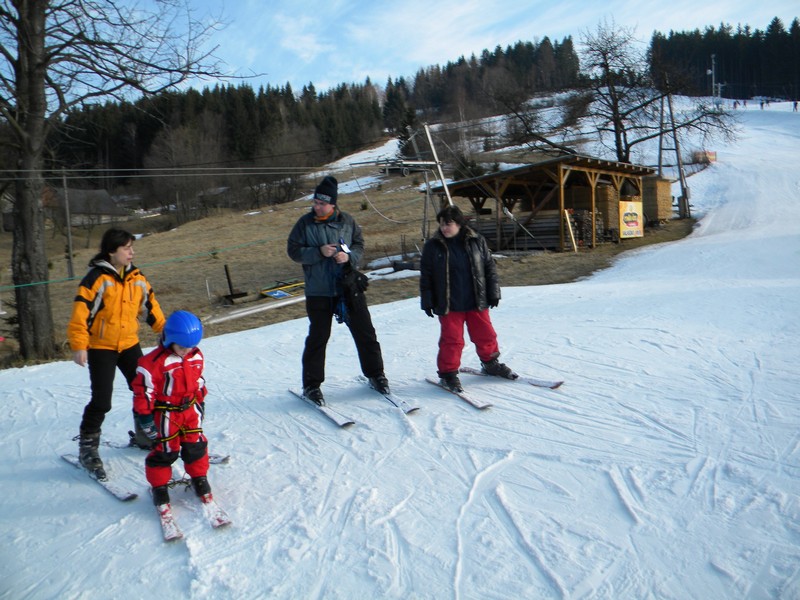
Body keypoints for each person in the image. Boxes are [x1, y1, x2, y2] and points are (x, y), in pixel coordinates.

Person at [67, 227, 166, 480]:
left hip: (129, 344)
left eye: (132, 247)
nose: (131, 252)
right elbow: (81, 313)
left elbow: (151, 307)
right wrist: (79, 344)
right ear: (112, 251)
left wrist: (167, 335)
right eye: (126, 248)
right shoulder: (97, 279)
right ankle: (87, 448)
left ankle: (145, 435)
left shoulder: (138, 278)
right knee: (102, 401)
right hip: (101, 347)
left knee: (144, 390)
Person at [287, 175, 389, 405]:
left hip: (347, 287)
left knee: (365, 332)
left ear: (333, 204)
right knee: (318, 337)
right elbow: (293, 251)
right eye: (315, 202)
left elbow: (359, 245)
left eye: (322, 203)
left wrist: (349, 256)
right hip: (319, 290)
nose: (317, 206)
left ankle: (376, 374)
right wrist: (317, 253)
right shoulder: (304, 224)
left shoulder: (347, 221)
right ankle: (311, 385)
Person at [419, 204, 515, 392]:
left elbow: (489, 268)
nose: (444, 228)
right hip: (449, 303)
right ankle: (448, 374)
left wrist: (494, 292)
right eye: (441, 224)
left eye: (449, 224)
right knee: (452, 340)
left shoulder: (476, 241)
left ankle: (490, 363)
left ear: (459, 223)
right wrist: (427, 301)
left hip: (475, 300)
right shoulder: (432, 246)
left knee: (485, 334)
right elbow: (426, 275)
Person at [132, 310, 217, 512]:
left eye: (191, 347)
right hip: (166, 414)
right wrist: (145, 417)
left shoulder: (196, 355)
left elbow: (198, 379)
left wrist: (200, 399)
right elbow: (144, 392)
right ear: (169, 340)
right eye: (181, 347)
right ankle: (159, 486)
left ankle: (199, 477)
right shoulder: (152, 363)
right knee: (165, 450)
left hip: (190, 410)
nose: (187, 351)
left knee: (196, 445)